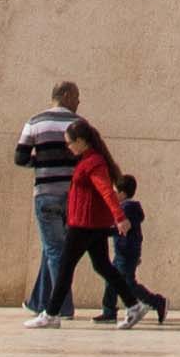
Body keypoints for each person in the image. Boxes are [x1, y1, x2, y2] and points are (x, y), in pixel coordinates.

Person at [13, 83, 89, 324]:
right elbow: (88, 158)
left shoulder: (35, 122)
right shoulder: (78, 124)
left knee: (54, 248)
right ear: (65, 95)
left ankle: (55, 306)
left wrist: (43, 164)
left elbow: (20, 157)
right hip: (72, 196)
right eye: (76, 96)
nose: (79, 101)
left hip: (46, 193)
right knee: (55, 249)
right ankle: (48, 302)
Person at [63, 130, 144, 329]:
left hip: (85, 224)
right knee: (102, 266)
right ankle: (134, 305)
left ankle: (51, 313)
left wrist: (119, 216)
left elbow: (107, 192)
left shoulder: (93, 162)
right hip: (89, 223)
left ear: (81, 140)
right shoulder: (89, 160)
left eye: (70, 142)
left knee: (65, 265)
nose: (68, 147)